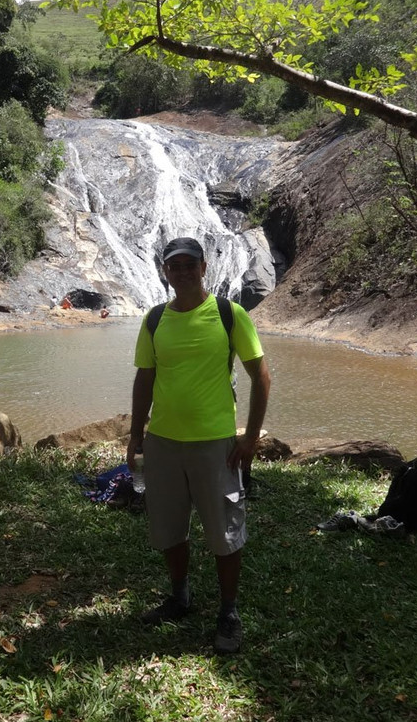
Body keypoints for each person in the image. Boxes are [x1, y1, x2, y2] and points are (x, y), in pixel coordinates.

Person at [127, 236, 271, 654]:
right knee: (170, 528)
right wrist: (137, 434)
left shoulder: (230, 314)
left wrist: (251, 437)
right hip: (163, 444)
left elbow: (260, 376)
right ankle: (179, 595)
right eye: (175, 265)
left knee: (225, 531)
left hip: (215, 444)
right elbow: (144, 380)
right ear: (165, 272)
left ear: (204, 268)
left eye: (191, 264)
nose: (183, 271)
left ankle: (229, 611)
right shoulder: (154, 320)